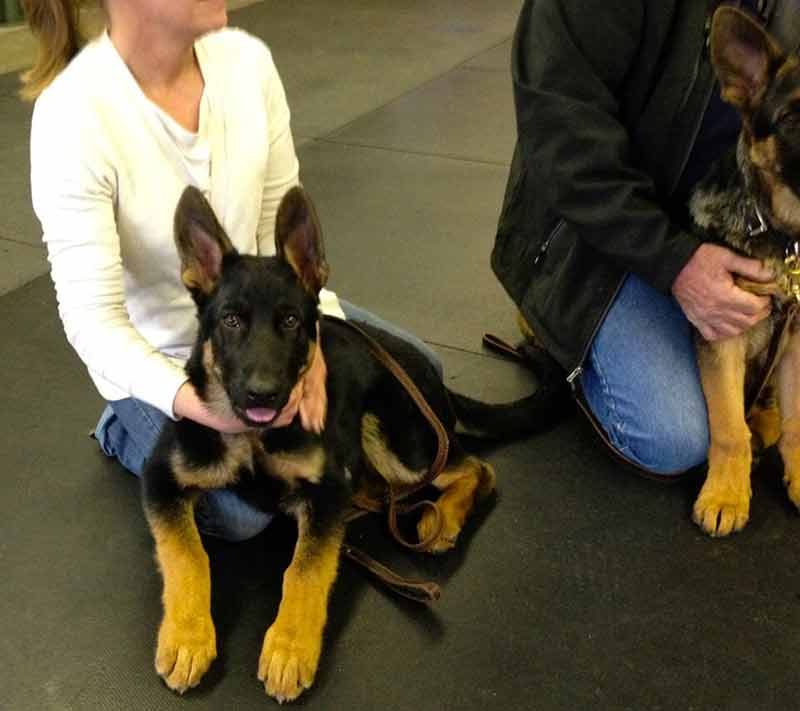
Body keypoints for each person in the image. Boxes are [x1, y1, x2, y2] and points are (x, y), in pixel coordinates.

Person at [22, 0, 440, 540]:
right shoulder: (71, 117)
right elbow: (92, 320)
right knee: (242, 514)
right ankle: (123, 429)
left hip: (260, 319)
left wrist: (313, 346)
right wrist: (197, 405)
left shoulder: (248, 63)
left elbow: (280, 238)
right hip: (160, 357)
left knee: (422, 378)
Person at [492, 0, 800, 476]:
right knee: (674, 436)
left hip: (743, 213)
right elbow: (563, 140)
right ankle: (557, 327)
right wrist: (675, 261)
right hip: (601, 234)